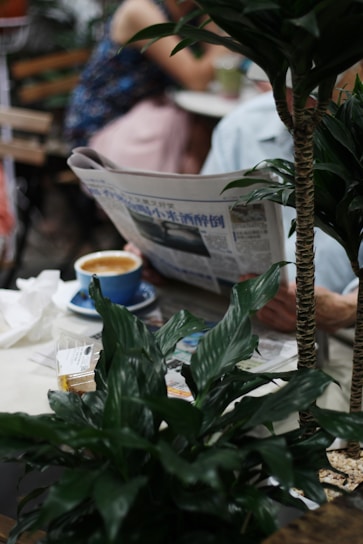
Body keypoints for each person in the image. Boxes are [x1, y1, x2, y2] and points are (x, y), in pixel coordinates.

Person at [201, 65, 363, 334]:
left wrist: (345, 309)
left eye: (316, 93)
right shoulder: (242, 127)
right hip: (240, 319)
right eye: (286, 90)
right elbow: (203, 226)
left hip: (345, 336)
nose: (296, 106)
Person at [64, 0, 227, 173]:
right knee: (198, 135)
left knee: (205, 132)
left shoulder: (195, 10)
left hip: (153, 118)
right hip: (106, 124)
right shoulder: (139, 10)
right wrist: (237, 36)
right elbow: (196, 79)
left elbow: (218, 66)